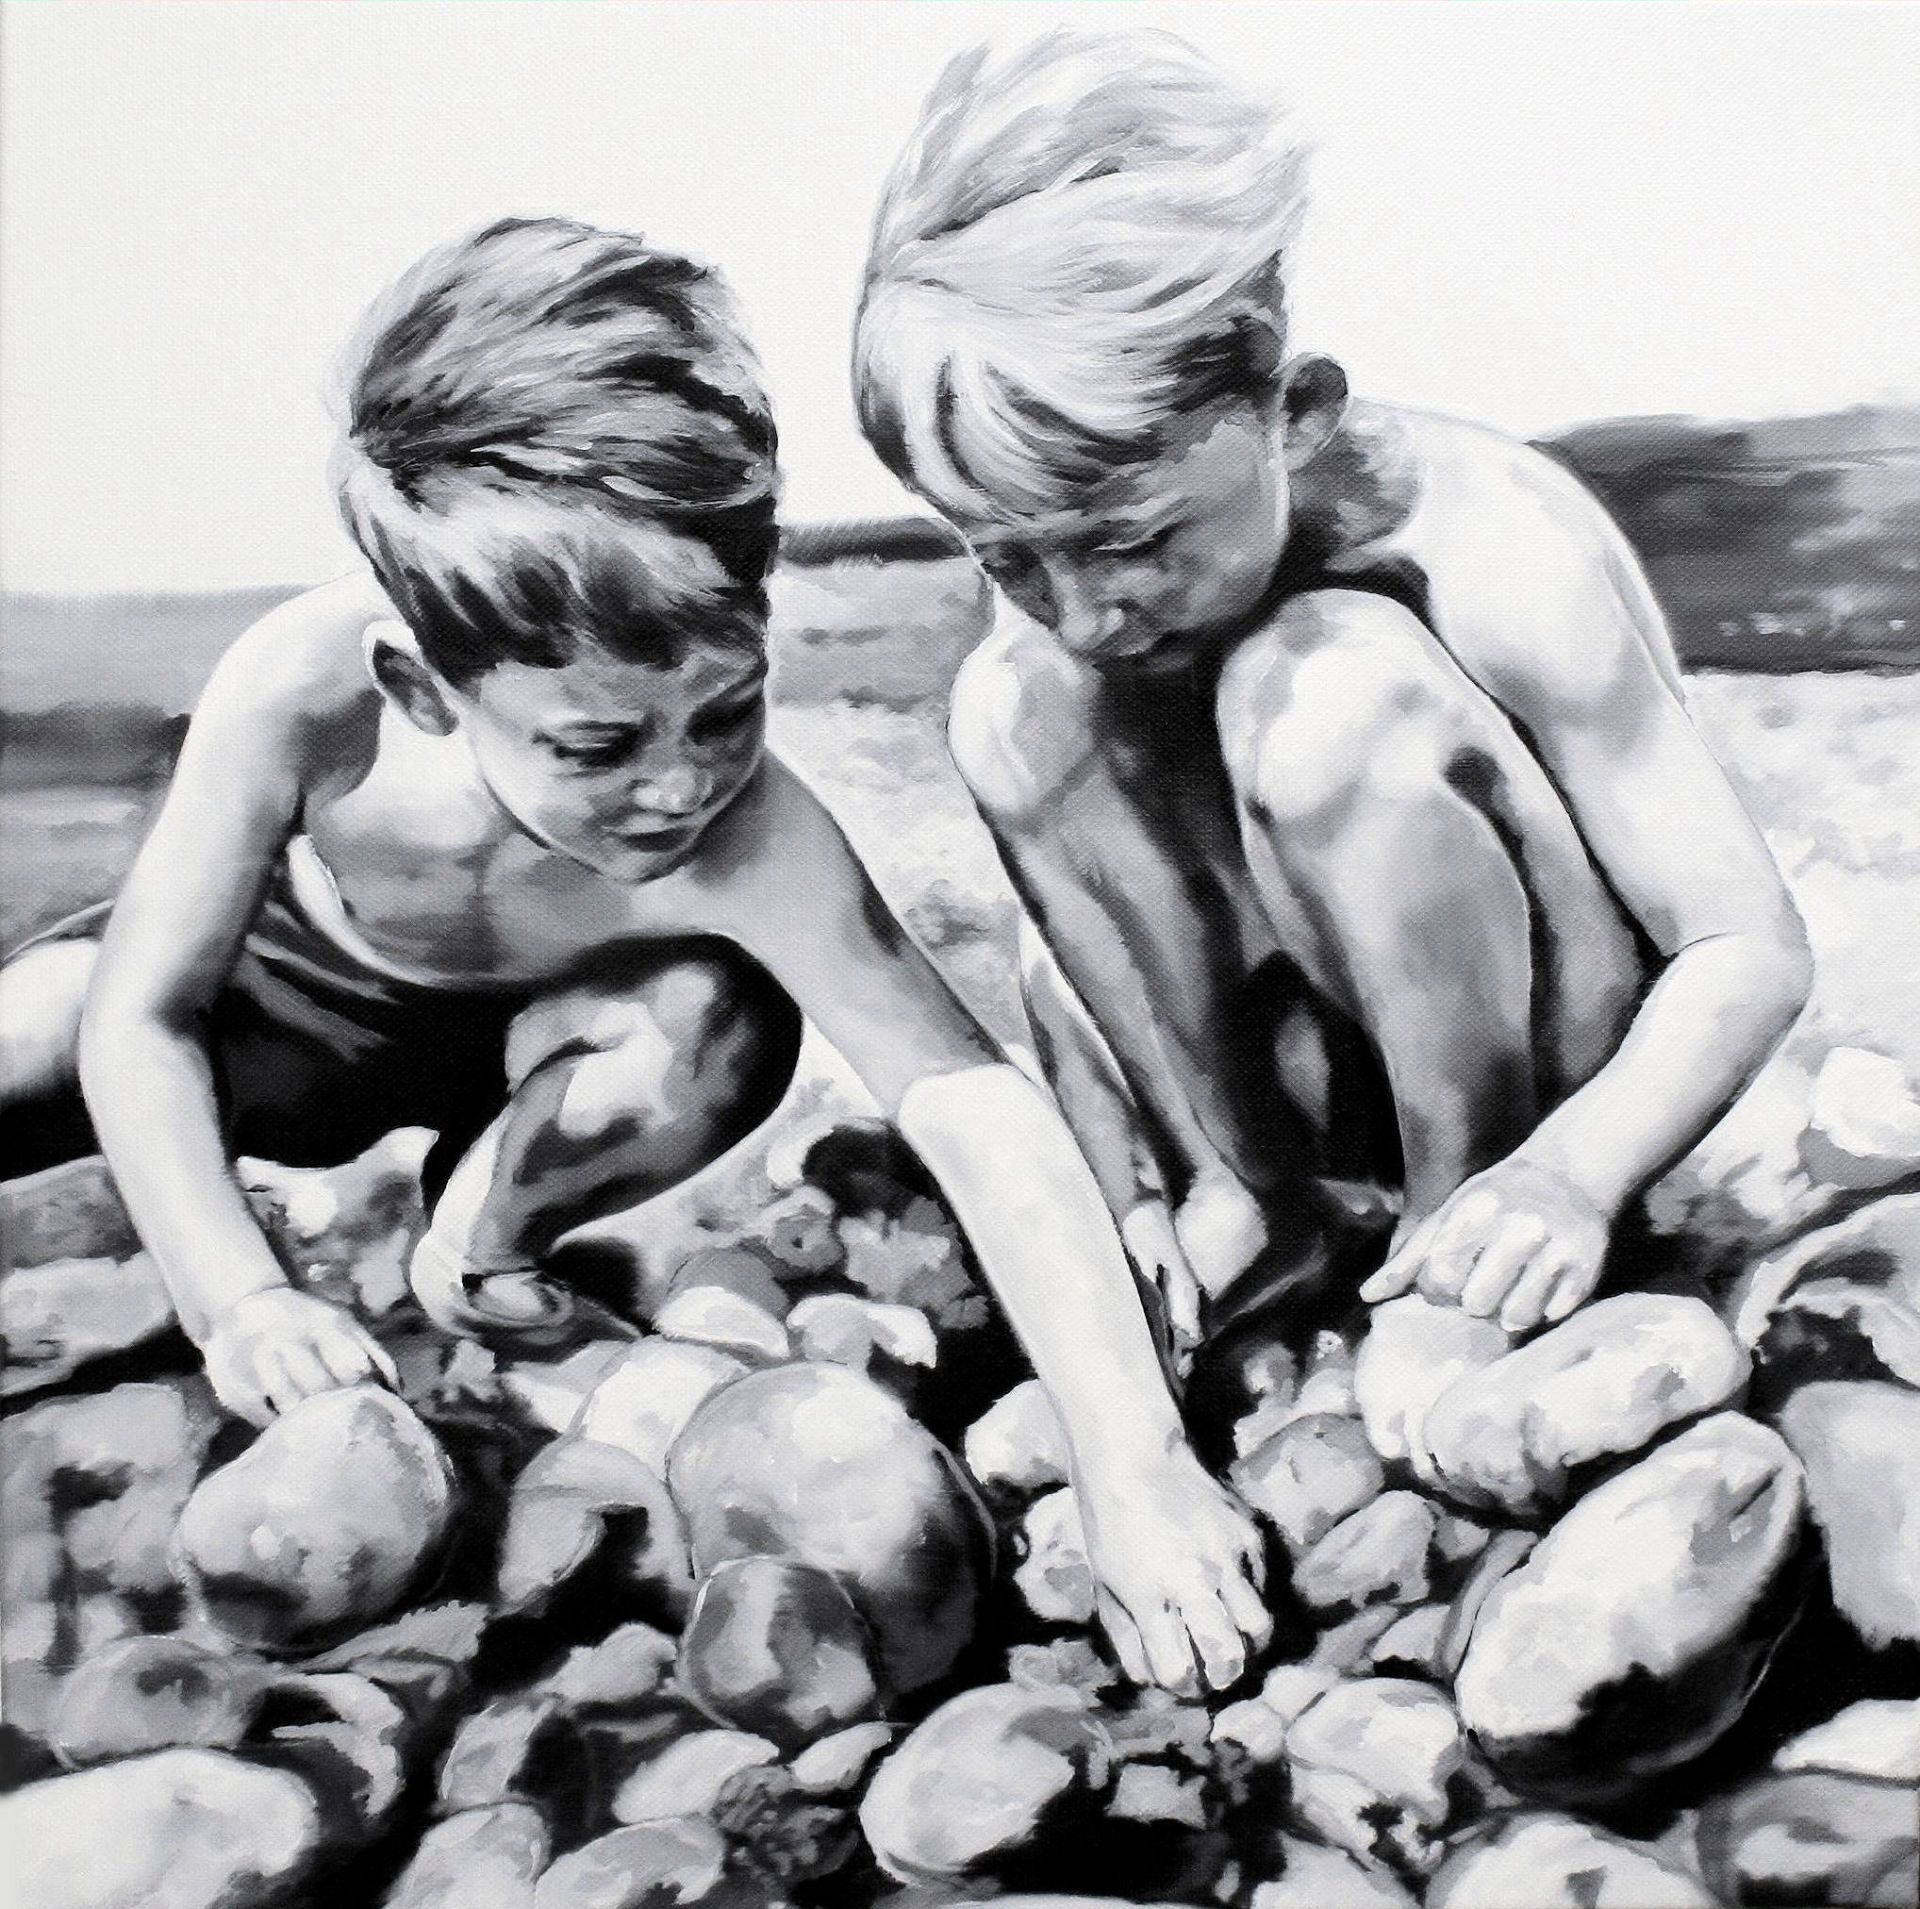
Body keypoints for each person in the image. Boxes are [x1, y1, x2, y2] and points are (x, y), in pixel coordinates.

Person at [0, 216, 1268, 1695]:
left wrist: (1134, 1465)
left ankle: (477, 1261)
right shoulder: (303, 695)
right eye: (598, 745)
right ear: (422, 687)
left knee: (718, 1019)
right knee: (48, 1012)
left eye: (727, 710)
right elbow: (146, 1019)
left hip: (510, 1071)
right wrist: (240, 1298)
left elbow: (967, 1098)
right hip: (264, 1017)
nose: (681, 787)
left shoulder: (753, 834)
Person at [852, 31, 1813, 1342]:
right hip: (1288, 1075)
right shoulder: (1075, 587)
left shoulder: (1493, 546)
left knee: (1322, 697)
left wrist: (1573, 1174)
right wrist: (1138, 1183)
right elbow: (1102, 894)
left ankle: (1458, 1218)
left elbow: (1744, 946)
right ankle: (1239, 1199)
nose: (1084, 613)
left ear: (1293, 412)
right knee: (1012, 706)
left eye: (1137, 541)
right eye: (1010, 558)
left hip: (1543, 1067)